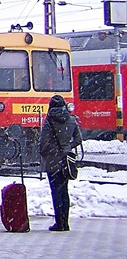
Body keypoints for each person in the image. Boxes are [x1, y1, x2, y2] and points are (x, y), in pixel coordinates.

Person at [37, 94, 82, 231]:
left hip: (53, 161)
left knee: (56, 192)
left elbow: (43, 143)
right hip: (66, 161)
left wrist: (48, 152)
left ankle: (59, 223)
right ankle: (65, 222)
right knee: (64, 191)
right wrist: (67, 147)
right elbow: (79, 139)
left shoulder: (49, 121)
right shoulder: (71, 120)